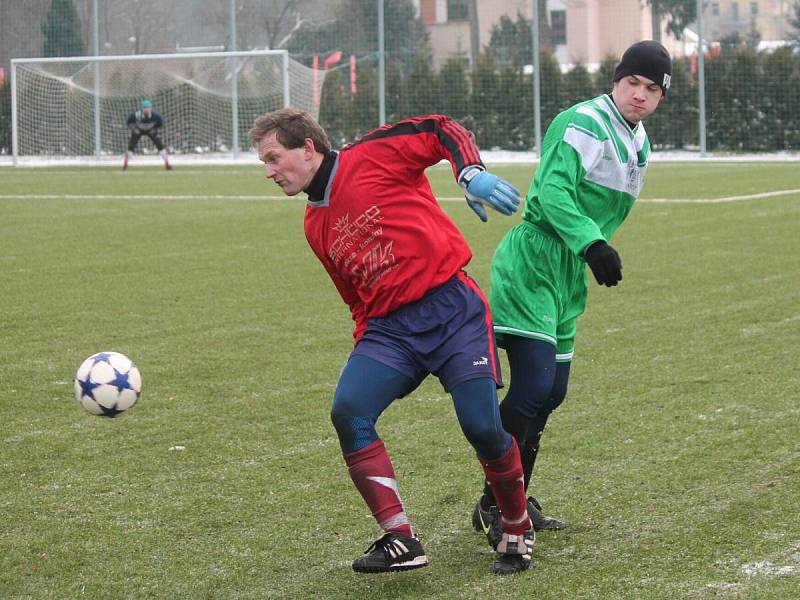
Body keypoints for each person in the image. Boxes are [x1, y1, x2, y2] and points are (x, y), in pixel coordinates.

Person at [249, 109, 534, 575]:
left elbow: (442, 128)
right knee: (350, 409)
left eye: (274, 158)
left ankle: (517, 525)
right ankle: (400, 537)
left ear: (307, 148)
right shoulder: (313, 225)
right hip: (390, 332)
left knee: (481, 425)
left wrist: (470, 172)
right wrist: (366, 350)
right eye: (264, 162)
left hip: (452, 311)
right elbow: (355, 299)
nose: (269, 172)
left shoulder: (372, 156)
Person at [472, 40, 673, 534]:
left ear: (661, 96)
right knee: (534, 387)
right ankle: (500, 505)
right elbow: (551, 192)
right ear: (616, 79)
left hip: (567, 267)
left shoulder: (640, 142)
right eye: (632, 83)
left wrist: (587, 248)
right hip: (535, 258)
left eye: (651, 89)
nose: (639, 95)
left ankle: (501, 500)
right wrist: (592, 243)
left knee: (552, 392)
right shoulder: (584, 121)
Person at [124, 99, 171, 170]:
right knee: (131, 145)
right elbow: (128, 122)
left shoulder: (156, 116)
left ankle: (167, 164)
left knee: (160, 145)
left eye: (148, 108)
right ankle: (125, 164)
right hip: (138, 130)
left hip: (150, 130)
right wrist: (134, 129)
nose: (146, 110)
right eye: (145, 108)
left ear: (151, 108)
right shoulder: (136, 115)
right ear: (142, 108)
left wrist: (155, 129)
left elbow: (161, 123)